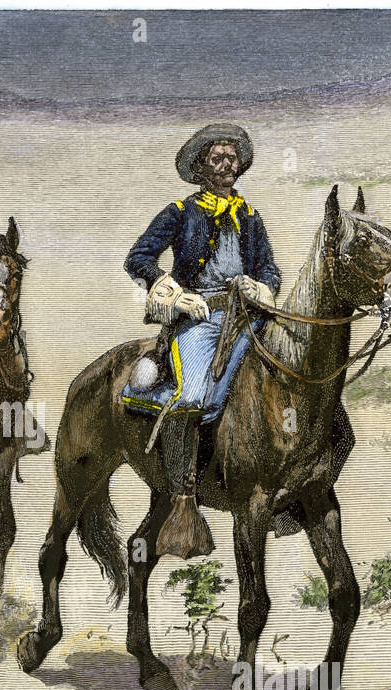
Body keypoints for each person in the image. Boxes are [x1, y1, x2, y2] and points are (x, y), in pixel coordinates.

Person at [124, 123, 281, 558]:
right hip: (199, 318)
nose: (228, 164)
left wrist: (261, 288)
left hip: (248, 317)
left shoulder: (250, 216)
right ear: (200, 167)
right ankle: (183, 500)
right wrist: (175, 292)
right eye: (219, 158)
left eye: (233, 158)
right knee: (194, 395)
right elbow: (138, 258)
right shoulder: (179, 211)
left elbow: (270, 269)